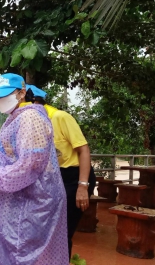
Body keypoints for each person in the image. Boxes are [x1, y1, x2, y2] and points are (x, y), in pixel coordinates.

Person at [0, 73, 68, 265]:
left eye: (5, 95)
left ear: (22, 92)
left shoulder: (30, 117)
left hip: (33, 201)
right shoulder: (16, 117)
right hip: (25, 197)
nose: (0, 101)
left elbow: (32, 162)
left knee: (23, 252)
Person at [23, 84, 96, 259]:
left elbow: (84, 150)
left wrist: (82, 187)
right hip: (53, 178)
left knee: (62, 230)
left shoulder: (60, 118)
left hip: (74, 177)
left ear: (34, 102)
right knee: (46, 229)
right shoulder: (33, 123)